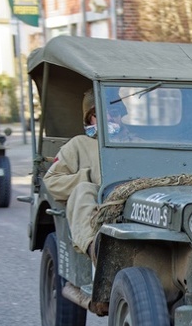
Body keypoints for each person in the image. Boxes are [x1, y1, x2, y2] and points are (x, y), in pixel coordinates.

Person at [43, 88, 133, 263]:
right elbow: (52, 181)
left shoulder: (137, 144)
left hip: (131, 206)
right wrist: (87, 177)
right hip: (96, 208)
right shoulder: (78, 145)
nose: (108, 119)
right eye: (99, 114)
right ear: (89, 119)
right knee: (83, 189)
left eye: (113, 113)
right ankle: (95, 248)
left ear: (120, 116)